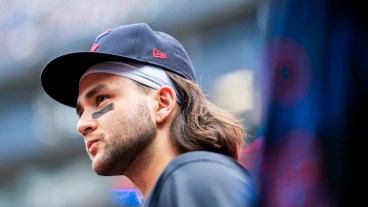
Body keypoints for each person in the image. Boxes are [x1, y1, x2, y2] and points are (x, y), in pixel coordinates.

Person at [40, 23, 258, 207]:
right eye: (80, 112)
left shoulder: (193, 177)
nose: (82, 125)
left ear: (162, 103)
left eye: (101, 99)